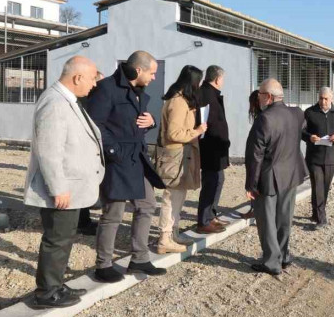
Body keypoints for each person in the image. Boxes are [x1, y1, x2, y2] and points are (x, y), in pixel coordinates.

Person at [23, 56, 103, 308]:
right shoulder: (55, 103)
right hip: (62, 188)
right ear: (77, 77)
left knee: (64, 237)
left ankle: (55, 284)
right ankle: (47, 293)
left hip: (71, 186)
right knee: (57, 239)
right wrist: (58, 188)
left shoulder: (67, 100)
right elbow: (50, 150)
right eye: (91, 79)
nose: (94, 84)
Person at [87, 50, 167, 283]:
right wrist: (115, 152)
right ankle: (103, 264)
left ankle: (139, 258)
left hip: (137, 158)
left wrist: (151, 121)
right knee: (113, 214)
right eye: (152, 73)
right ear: (138, 70)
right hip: (118, 161)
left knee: (147, 205)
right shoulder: (106, 88)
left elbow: (137, 122)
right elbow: (96, 124)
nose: (154, 78)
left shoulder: (138, 91)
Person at [245, 78, 307, 275]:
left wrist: (250, 185)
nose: (259, 98)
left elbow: (255, 155)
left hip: (269, 177)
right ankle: (284, 255)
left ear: (269, 97)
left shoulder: (264, 119)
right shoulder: (297, 114)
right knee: (284, 218)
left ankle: (272, 262)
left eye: (261, 94)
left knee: (267, 222)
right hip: (292, 173)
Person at [155, 65, 210, 254]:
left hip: (180, 155)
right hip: (175, 156)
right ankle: (164, 238)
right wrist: (197, 131)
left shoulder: (179, 99)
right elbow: (174, 132)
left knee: (178, 196)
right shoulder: (178, 102)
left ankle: (173, 233)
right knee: (171, 198)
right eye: (199, 81)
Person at [302, 87, 334, 228]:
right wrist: (309, 137)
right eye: (320, 98)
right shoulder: (310, 113)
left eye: (326, 99)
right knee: (317, 185)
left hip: (330, 157)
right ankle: (321, 219)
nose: (323, 101)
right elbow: (301, 131)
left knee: (324, 187)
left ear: (331, 99)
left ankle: (315, 213)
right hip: (314, 157)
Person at [196, 65, 230, 234]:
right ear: (217, 79)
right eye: (223, 79)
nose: (223, 82)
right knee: (211, 183)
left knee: (219, 180)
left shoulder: (212, 94)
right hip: (210, 149)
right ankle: (204, 220)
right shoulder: (205, 94)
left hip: (217, 148)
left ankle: (211, 214)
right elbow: (206, 123)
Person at [77, 70, 105, 236]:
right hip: (84, 150)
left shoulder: (91, 99)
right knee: (82, 186)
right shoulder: (85, 100)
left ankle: (84, 220)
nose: (97, 85)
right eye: (97, 82)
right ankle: (82, 222)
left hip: (91, 149)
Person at [240, 90, 262, 220]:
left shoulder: (261, 118)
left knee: (256, 182)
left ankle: (255, 209)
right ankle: (254, 208)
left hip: (258, 158)